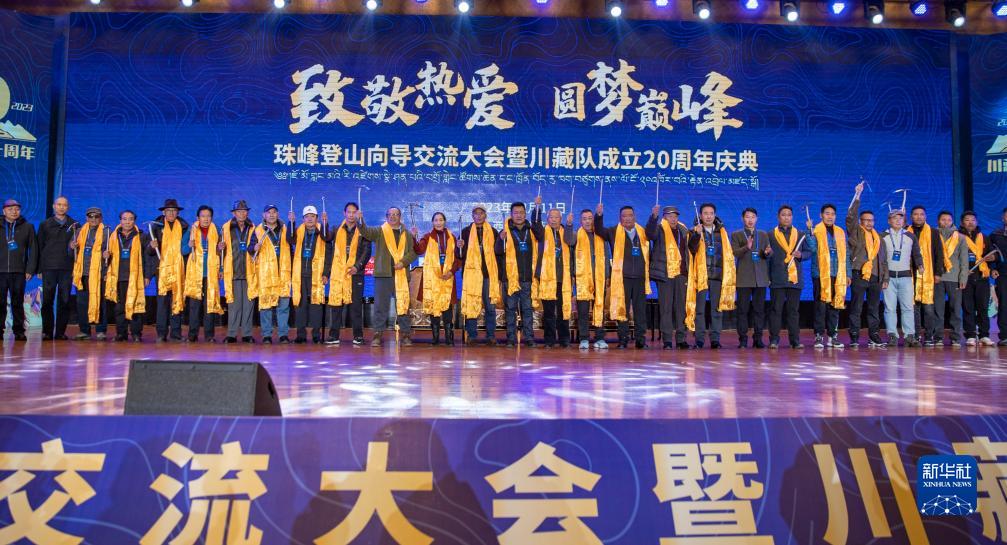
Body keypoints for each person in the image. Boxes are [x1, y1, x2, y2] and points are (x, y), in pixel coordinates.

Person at [358, 207, 417, 347]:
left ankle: (406, 334)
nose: (393, 216)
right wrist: (360, 221)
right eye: (390, 214)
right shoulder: (380, 231)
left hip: (401, 275)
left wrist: (403, 263)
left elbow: (413, 252)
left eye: (396, 214)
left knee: (403, 305)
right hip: (383, 275)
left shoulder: (407, 234)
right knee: (380, 306)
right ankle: (377, 334)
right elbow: (366, 232)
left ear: (400, 217)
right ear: (386, 217)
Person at [595, 203, 650, 349]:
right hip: (621, 278)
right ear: (620, 218)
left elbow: (653, 234)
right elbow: (599, 230)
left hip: (639, 277)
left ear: (635, 217)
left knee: (640, 311)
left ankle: (640, 340)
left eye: (630, 215)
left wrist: (654, 217)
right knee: (622, 309)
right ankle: (623, 339)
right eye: (624, 216)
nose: (627, 218)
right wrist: (599, 216)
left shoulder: (642, 232)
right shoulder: (613, 231)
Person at [687, 203, 736, 349]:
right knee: (699, 310)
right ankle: (699, 339)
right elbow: (692, 249)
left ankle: (715, 339)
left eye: (711, 213)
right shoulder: (694, 231)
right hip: (701, 276)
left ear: (715, 215)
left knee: (717, 309)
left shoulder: (722, 232)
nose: (708, 216)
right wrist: (697, 235)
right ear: (700, 216)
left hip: (717, 276)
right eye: (705, 213)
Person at [846, 182, 887, 348]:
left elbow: (883, 260)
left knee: (874, 308)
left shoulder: (879, 238)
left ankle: (874, 335)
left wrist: (885, 278)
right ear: (860, 221)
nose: (869, 223)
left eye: (871, 220)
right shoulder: (856, 232)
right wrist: (857, 195)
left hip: (876, 276)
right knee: (856, 307)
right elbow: (850, 217)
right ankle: (854, 336)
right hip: (859, 274)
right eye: (866, 220)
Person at [325, 202, 371, 346]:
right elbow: (326, 238)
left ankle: (358, 336)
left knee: (356, 306)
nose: (351, 215)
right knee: (336, 305)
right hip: (338, 273)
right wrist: (324, 223)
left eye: (354, 212)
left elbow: (367, 251)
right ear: (344, 213)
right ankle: (333, 335)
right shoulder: (336, 229)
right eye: (349, 212)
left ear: (358, 214)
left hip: (355, 273)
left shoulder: (363, 230)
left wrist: (357, 267)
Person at [412, 212, 460, 346]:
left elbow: (458, 258)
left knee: (447, 306)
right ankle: (436, 338)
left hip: (447, 276)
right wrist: (414, 237)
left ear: (445, 221)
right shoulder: (427, 237)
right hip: (432, 277)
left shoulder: (452, 237)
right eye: (436, 220)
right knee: (433, 306)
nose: (438, 222)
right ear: (432, 222)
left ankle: (449, 338)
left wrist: (451, 272)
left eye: (441, 220)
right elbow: (419, 250)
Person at [646, 205, 690, 350]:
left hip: (681, 274)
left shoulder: (683, 230)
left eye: (675, 216)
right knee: (666, 308)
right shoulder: (659, 229)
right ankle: (667, 340)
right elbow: (649, 234)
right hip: (665, 275)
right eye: (670, 216)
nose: (673, 219)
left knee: (681, 308)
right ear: (664, 217)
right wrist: (653, 217)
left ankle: (681, 339)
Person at [531, 197, 573, 348]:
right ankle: (549, 340)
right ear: (547, 219)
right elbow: (535, 224)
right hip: (547, 278)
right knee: (549, 312)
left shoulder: (566, 233)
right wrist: (537, 207)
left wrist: (569, 225)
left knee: (563, 310)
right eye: (551, 217)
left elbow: (571, 243)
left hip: (563, 279)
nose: (554, 220)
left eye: (557, 217)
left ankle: (564, 339)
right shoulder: (542, 232)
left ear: (561, 219)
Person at [807, 203, 850, 349]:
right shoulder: (816, 230)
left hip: (838, 274)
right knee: (820, 307)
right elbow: (813, 249)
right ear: (821, 215)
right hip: (820, 274)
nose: (830, 216)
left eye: (832, 214)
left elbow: (846, 254)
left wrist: (848, 274)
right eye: (827, 213)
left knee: (835, 306)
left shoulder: (840, 231)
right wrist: (809, 232)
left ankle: (833, 336)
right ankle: (819, 336)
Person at [458, 205, 502, 346]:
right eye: (476, 213)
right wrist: (459, 247)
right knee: (471, 304)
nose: (478, 216)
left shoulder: (493, 231)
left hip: (488, 274)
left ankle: (491, 335)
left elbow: (499, 252)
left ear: (485, 215)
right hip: (472, 275)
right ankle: (472, 335)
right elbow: (459, 255)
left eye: (481, 213)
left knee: (490, 307)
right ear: (472, 216)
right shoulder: (465, 232)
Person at [565, 208, 609, 350]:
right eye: (584, 219)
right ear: (580, 221)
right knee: (583, 311)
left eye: (590, 218)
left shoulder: (601, 235)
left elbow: (607, 256)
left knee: (599, 308)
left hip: (599, 278)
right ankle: (584, 338)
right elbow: (568, 240)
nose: (588, 221)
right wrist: (569, 225)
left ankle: (600, 338)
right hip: (582, 278)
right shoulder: (576, 235)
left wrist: (607, 275)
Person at [767, 205, 810, 349]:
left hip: (795, 279)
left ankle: (795, 341)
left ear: (792, 217)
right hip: (777, 277)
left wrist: (801, 255)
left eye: (789, 215)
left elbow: (809, 252)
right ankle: (774, 340)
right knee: (776, 310)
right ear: (778, 217)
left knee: (793, 311)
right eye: (783, 215)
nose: (786, 217)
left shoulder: (800, 234)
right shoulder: (770, 235)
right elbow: (767, 258)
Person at [105, 210, 151, 342]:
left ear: (134, 221)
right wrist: (105, 258)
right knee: (119, 307)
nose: (127, 222)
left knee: (136, 305)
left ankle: (136, 333)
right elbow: (106, 257)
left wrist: (147, 276)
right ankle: (121, 333)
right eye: (124, 219)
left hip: (135, 277)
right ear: (120, 220)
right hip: (118, 276)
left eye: (130, 219)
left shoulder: (141, 236)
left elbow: (147, 257)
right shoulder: (113, 236)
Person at [148, 198, 189, 342]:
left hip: (178, 269)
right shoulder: (155, 227)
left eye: (174, 210)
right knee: (162, 303)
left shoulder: (184, 227)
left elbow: (186, 250)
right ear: (163, 212)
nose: (171, 213)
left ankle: (176, 334)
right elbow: (149, 252)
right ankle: (161, 333)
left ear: (178, 212)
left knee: (177, 300)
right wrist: (151, 246)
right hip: (162, 269)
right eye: (168, 210)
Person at [881, 208, 923, 347]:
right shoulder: (883, 236)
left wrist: (920, 265)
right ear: (889, 221)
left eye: (901, 218)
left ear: (904, 221)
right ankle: (892, 335)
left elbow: (916, 253)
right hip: (889, 278)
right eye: (895, 218)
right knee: (889, 308)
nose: (898, 220)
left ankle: (909, 336)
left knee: (908, 307)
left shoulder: (910, 236)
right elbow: (880, 258)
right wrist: (884, 277)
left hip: (906, 277)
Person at [730, 207, 770, 348]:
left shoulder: (763, 235)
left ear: (756, 219)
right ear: (743, 219)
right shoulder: (736, 234)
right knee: (743, 310)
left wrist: (767, 252)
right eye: (747, 217)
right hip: (743, 279)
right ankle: (743, 339)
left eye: (753, 217)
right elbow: (734, 253)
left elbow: (768, 254)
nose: (750, 220)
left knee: (759, 310)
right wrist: (746, 247)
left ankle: (758, 338)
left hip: (760, 278)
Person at [37, 196, 76, 340]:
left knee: (64, 301)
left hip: (67, 268)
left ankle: (60, 332)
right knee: (47, 300)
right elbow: (39, 247)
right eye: (59, 204)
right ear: (54, 206)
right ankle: (47, 331)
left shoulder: (74, 225)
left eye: (64, 205)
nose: (61, 207)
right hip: (49, 267)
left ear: (68, 207)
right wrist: (39, 269)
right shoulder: (45, 224)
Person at [290, 205, 331, 344]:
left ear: (317, 218)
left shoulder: (323, 233)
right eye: (307, 216)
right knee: (300, 305)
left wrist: (326, 274)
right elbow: (289, 240)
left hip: (317, 274)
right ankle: (300, 335)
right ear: (303, 219)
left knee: (316, 305)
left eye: (312, 216)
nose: (309, 219)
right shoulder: (298, 232)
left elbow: (329, 256)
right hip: (300, 275)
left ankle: (316, 335)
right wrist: (291, 223)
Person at [252, 204, 292, 344]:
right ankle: (266, 335)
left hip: (283, 272)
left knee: (283, 306)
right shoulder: (258, 230)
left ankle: (283, 334)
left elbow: (293, 243)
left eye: (274, 212)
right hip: (266, 273)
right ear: (264, 215)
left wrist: (292, 223)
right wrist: (253, 247)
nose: (271, 215)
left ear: (278, 214)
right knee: (266, 305)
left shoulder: (285, 229)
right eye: (268, 212)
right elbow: (250, 248)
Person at [500, 201, 537, 348]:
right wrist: (500, 240)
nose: (519, 215)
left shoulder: (531, 230)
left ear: (525, 214)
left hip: (527, 277)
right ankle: (511, 338)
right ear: (511, 215)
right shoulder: (505, 231)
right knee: (510, 310)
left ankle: (529, 338)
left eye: (521, 212)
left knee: (527, 309)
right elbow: (497, 251)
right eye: (516, 213)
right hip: (510, 279)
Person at [219, 200, 257, 344]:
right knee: (233, 305)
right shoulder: (226, 228)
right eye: (239, 211)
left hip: (249, 271)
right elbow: (220, 251)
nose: (242, 214)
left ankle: (247, 334)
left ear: (247, 212)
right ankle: (232, 334)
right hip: (233, 271)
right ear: (234, 213)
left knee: (248, 305)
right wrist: (219, 248)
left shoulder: (253, 228)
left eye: (244, 211)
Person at [909, 206, 947, 347]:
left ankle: (929, 335)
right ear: (911, 216)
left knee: (929, 308)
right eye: (916, 214)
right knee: (914, 308)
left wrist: (938, 273)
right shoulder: (906, 232)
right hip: (911, 275)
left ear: (925, 216)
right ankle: (916, 335)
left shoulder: (933, 232)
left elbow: (939, 254)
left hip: (929, 275)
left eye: (921, 214)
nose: (919, 217)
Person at [184, 205, 222, 342]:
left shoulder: (216, 230)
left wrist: (220, 249)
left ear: (211, 217)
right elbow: (182, 250)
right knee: (194, 306)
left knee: (209, 305)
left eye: (208, 216)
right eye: (203, 216)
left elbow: (221, 253)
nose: (206, 219)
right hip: (195, 273)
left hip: (211, 273)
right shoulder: (191, 230)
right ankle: (192, 335)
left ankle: (209, 335)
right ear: (197, 218)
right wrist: (188, 245)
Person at [0, 199, 37, 342]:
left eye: (17, 209)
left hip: (19, 271)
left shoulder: (27, 227)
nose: (14, 212)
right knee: (0, 302)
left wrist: (30, 269)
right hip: (1, 271)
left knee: (17, 302)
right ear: (4, 211)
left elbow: (33, 249)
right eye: (10, 209)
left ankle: (19, 331)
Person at [70, 207, 108, 340]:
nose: (93, 219)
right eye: (90, 217)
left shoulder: (107, 232)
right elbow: (71, 254)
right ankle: (84, 330)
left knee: (100, 302)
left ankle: (100, 330)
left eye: (96, 217)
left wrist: (107, 257)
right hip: (82, 273)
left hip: (99, 273)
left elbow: (113, 253)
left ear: (101, 218)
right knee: (82, 303)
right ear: (87, 218)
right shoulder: (79, 231)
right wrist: (71, 247)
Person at [959, 211, 996, 346]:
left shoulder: (984, 237)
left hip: (982, 276)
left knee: (982, 307)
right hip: (966, 277)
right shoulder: (957, 237)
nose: (970, 222)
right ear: (962, 222)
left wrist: (993, 259)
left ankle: (984, 335)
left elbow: (992, 255)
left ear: (977, 222)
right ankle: (970, 335)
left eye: (973, 220)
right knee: (968, 307)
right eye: (967, 220)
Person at [934, 211, 968, 346]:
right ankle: (938, 336)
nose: (946, 222)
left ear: (952, 221)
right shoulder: (932, 235)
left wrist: (963, 278)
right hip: (937, 278)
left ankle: (955, 337)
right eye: (943, 220)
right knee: (938, 309)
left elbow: (964, 260)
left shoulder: (960, 237)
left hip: (955, 278)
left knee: (956, 309)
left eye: (949, 220)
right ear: (938, 221)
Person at [988, 207, 1007, 346]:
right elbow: (990, 254)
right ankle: (1005, 335)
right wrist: (992, 268)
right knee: (1004, 305)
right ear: (1003, 218)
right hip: (1003, 274)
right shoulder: (995, 235)